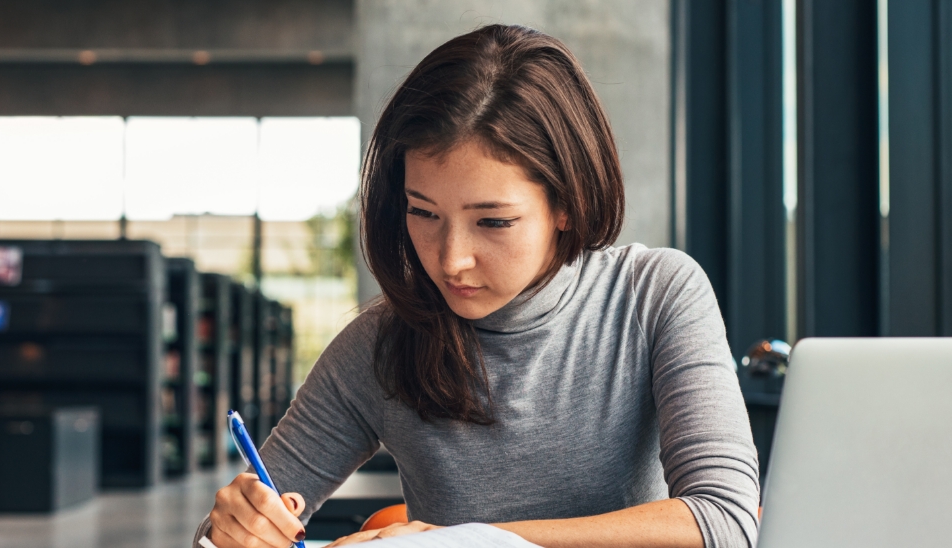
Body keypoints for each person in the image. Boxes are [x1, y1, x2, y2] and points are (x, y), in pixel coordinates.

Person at [198, 24, 759, 548]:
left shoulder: (654, 294)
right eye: (424, 213)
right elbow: (234, 526)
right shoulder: (378, 344)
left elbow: (725, 520)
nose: (451, 260)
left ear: (566, 203)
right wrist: (228, 529)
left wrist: (461, 541)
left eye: (492, 221)